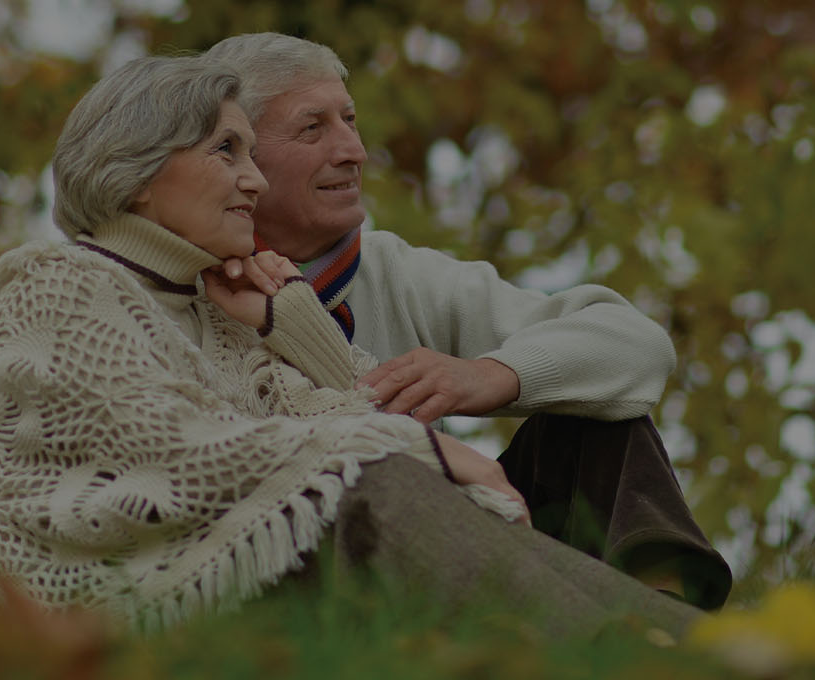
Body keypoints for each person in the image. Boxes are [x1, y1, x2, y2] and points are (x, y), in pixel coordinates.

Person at [0, 55, 701, 637]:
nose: (251, 182)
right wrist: (432, 452)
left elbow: (330, 412)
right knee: (368, 484)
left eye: (250, 154)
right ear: (137, 177)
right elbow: (181, 452)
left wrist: (291, 325)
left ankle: (664, 630)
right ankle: (661, 651)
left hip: (238, 565)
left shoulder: (219, 305)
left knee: (561, 418)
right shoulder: (64, 284)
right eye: (227, 153)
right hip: (87, 597)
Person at [200, 33, 733, 609]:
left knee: (600, 416)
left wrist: (491, 374)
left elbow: (637, 346)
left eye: (350, 120)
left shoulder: (400, 272)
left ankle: (673, 623)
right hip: (299, 580)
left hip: (450, 548)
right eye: (313, 128)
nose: (353, 149)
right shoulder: (173, 288)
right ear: (237, 156)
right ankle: (643, 635)